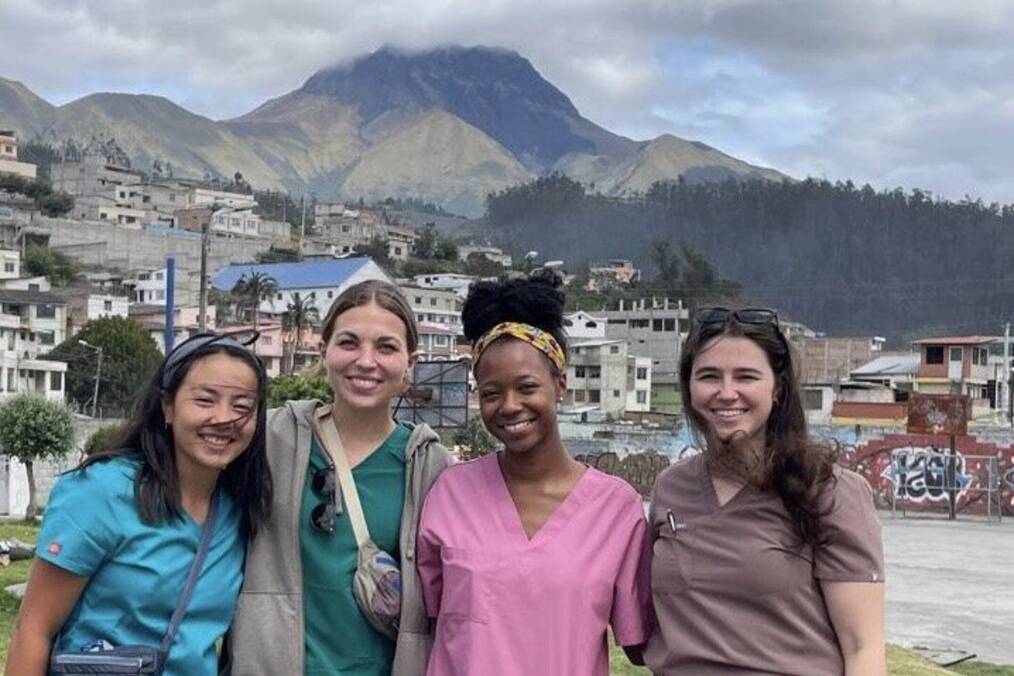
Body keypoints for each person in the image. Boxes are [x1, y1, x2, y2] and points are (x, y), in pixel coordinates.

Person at [416, 272, 652, 676]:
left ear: (559, 385)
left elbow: (641, 646)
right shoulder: (451, 493)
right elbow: (429, 620)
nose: (510, 406)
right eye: (492, 393)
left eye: (527, 387)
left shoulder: (616, 510)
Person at [5, 333, 272, 676]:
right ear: (167, 406)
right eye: (205, 400)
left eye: (241, 406)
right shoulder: (102, 492)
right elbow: (32, 630)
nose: (224, 418)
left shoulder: (238, 508)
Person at [225, 279, 452, 676]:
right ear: (322, 350)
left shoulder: (433, 468)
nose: (366, 361)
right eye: (349, 343)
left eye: (386, 347)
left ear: (410, 364)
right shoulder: (267, 440)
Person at [645, 307, 886, 675]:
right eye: (709, 376)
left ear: (778, 390)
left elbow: (862, 649)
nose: (727, 393)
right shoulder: (672, 488)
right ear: (689, 388)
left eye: (746, 377)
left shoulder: (829, 491)